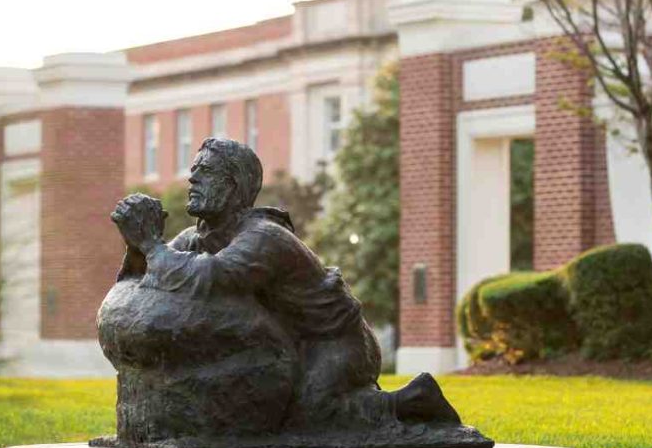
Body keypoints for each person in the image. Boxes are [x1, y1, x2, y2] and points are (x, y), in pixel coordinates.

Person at [111, 137, 460, 432]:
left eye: (204, 171)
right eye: (194, 170)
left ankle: (412, 399)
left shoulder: (264, 238)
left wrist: (151, 244)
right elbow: (159, 277)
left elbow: (210, 279)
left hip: (334, 342)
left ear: (233, 186)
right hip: (285, 343)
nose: (192, 179)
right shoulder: (197, 237)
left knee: (311, 415)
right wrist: (139, 247)